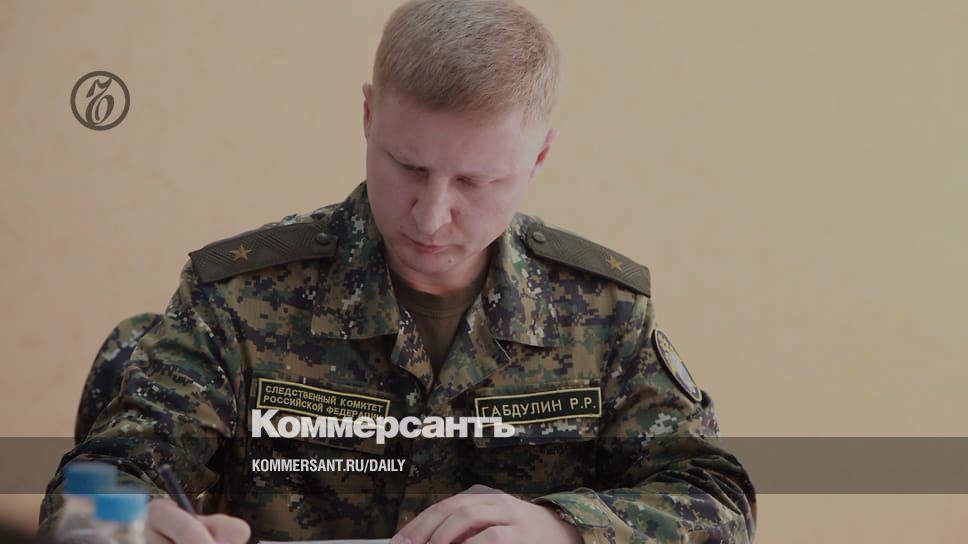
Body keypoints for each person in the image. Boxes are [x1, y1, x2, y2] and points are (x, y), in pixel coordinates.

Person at [41, 1, 757, 542]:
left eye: (475, 182)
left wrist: (562, 529)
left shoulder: (603, 311)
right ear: (367, 115)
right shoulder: (238, 297)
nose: (431, 215)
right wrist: (130, 522)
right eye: (407, 166)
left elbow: (717, 500)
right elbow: (86, 491)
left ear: (539, 157)